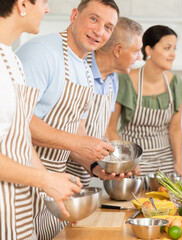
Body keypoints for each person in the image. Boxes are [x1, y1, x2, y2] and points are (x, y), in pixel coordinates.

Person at [16, 0, 120, 238]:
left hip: (55, 183)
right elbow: (19, 121)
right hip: (23, 180)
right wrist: (77, 143)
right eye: (94, 19)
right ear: (75, 15)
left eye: (108, 27)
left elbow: (76, 127)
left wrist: (95, 166)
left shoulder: (84, 65)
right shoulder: (42, 53)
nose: (99, 31)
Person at [0, 0, 82, 239]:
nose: (47, 9)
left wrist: (53, 188)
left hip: (17, 206)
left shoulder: (12, 60)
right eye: (44, 2)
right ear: (23, 3)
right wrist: (45, 179)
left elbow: (21, 139)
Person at [66, 16, 143, 185]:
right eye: (136, 51)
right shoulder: (75, 71)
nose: (139, 58)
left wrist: (118, 164)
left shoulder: (113, 80)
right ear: (118, 50)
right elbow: (65, 130)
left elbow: (106, 129)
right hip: (58, 172)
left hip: (85, 174)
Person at [107, 25, 182, 178]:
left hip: (165, 164)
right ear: (148, 50)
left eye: (174, 49)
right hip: (133, 163)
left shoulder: (175, 84)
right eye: (167, 48)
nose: (173, 54)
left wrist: (178, 164)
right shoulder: (124, 80)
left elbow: (175, 129)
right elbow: (110, 128)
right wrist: (126, 160)